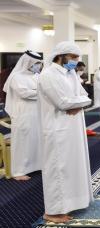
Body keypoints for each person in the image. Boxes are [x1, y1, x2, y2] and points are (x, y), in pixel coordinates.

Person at [38, 41, 93, 223]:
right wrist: (77, 102)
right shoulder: (48, 75)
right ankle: (52, 212)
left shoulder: (71, 74)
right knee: (58, 167)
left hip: (73, 127)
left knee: (71, 166)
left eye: (78, 58)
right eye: (73, 57)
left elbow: (86, 97)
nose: (76, 61)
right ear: (61, 56)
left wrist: (77, 103)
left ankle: (71, 202)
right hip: (57, 128)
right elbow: (63, 103)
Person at [3, 51, 43, 181]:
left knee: (36, 139)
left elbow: (44, 90)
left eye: (39, 64)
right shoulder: (16, 77)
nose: (38, 66)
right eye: (36, 63)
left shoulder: (37, 76)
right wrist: (40, 92)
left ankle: (36, 165)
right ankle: (18, 171)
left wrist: (37, 92)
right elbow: (24, 93)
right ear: (28, 63)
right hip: (23, 113)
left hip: (37, 112)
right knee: (22, 141)